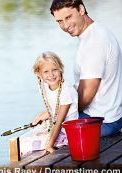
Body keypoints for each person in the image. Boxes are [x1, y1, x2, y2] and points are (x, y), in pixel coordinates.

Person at [50, 0, 122, 137]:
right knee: (49, 122)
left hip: (102, 121)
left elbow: (86, 94)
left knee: (46, 134)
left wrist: (58, 114)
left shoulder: (94, 42)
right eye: (59, 21)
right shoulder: (94, 33)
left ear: (81, 10)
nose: (65, 26)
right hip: (107, 115)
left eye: (68, 17)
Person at [20, 51, 78, 156]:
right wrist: (44, 115)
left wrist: (49, 145)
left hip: (68, 133)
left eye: (54, 70)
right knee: (23, 140)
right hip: (55, 126)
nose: (51, 75)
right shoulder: (44, 85)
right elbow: (53, 109)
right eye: (46, 71)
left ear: (60, 69)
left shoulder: (66, 90)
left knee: (25, 145)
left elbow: (59, 120)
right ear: (39, 73)